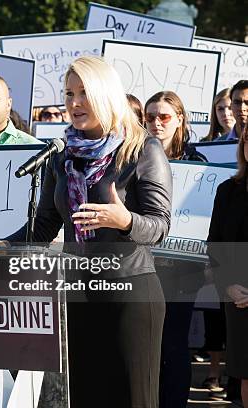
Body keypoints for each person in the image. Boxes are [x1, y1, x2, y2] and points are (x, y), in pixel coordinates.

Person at [3, 56, 171, 407]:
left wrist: (123, 220)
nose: (74, 103)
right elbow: (45, 225)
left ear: (106, 94)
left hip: (129, 295)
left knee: (130, 399)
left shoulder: (142, 148)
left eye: (84, 93)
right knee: (83, 396)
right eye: (68, 94)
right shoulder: (61, 155)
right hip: (77, 295)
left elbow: (159, 226)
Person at [144, 91, 207, 407]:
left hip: (184, 271)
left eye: (164, 116)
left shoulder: (198, 164)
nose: (156, 123)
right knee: (147, 345)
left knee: (174, 345)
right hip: (144, 266)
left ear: (180, 119)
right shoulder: (135, 157)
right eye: (150, 116)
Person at [207, 124, 248, 407]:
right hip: (239, 299)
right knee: (247, 376)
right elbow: (215, 245)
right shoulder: (227, 191)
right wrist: (228, 286)